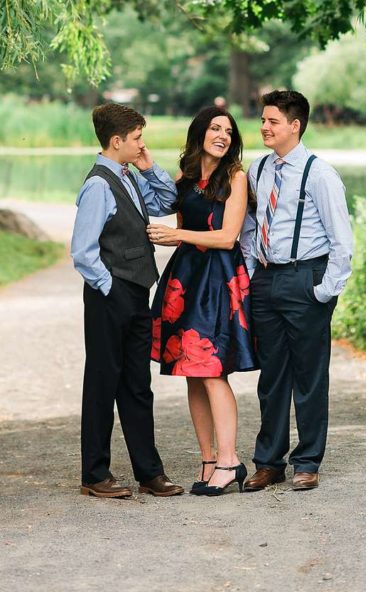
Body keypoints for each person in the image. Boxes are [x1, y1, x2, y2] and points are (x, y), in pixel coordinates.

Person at [240, 89, 353, 492]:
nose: (264, 127)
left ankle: (307, 461)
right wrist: (254, 272)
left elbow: (342, 240)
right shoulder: (258, 169)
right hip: (267, 280)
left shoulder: (320, 174)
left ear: (295, 125)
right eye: (263, 120)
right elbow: (252, 226)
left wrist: (324, 290)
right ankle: (269, 462)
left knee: (309, 376)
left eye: (272, 121)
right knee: (271, 376)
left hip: (306, 279)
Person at [71, 102, 184, 499]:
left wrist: (149, 167)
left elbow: (168, 202)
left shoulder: (128, 176)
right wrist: (109, 287)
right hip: (112, 294)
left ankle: (149, 472)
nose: (142, 144)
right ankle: (94, 474)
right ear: (116, 141)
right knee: (103, 382)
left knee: (137, 385)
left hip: (137, 291)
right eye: (137, 139)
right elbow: (83, 251)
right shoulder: (99, 184)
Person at [147, 106, 256, 496]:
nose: (223, 135)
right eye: (215, 128)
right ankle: (208, 459)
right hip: (185, 278)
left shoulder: (236, 177)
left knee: (211, 369)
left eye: (228, 131)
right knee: (191, 374)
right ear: (200, 133)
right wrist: (146, 168)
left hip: (217, 279)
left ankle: (230, 460)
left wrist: (178, 236)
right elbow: (172, 216)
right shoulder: (187, 177)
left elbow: (227, 237)